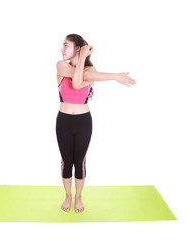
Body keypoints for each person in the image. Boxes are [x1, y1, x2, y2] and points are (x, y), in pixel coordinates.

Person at [56, 34, 136, 213]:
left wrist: (114, 76)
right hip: (64, 121)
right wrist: (114, 75)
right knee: (66, 162)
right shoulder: (61, 65)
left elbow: (78, 80)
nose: (61, 49)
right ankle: (68, 195)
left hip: (83, 121)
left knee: (80, 162)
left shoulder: (91, 71)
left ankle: (78, 197)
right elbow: (77, 83)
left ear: (77, 48)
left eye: (66, 45)